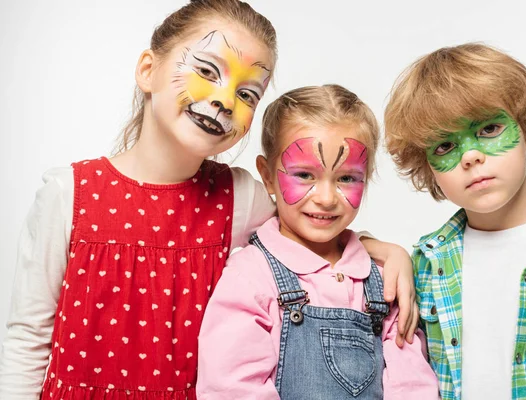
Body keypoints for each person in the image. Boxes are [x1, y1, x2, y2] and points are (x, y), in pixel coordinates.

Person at [0, 1, 416, 398]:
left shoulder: (242, 197)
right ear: (148, 69)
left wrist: (383, 250)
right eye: (206, 70)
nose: (224, 99)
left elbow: (314, 224)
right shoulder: (68, 193)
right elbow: (27, 339)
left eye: (249, 93)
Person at [384, 42, 526, 399]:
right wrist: (378, 246)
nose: (470, 156)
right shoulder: (423, 266)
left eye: (488, 130)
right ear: (429, 169)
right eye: (445, 147)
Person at [197, 85, 439, 399]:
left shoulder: (383, 279)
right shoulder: (251, 276)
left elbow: (413, 384)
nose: (326, 199)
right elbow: (232, 388)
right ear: (268, 175)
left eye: (347, 178)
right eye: (305, 175)